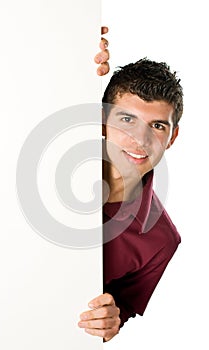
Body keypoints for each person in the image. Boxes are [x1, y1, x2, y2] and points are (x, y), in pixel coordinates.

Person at [78, 27, 183, 342]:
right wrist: (72, 44)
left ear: (172, 137)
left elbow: (118, 313)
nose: (141, 139)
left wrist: (111, 321)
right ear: (102, 119)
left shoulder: (162, 240)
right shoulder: (50, 167)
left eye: (157, 125)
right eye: (126, 119)